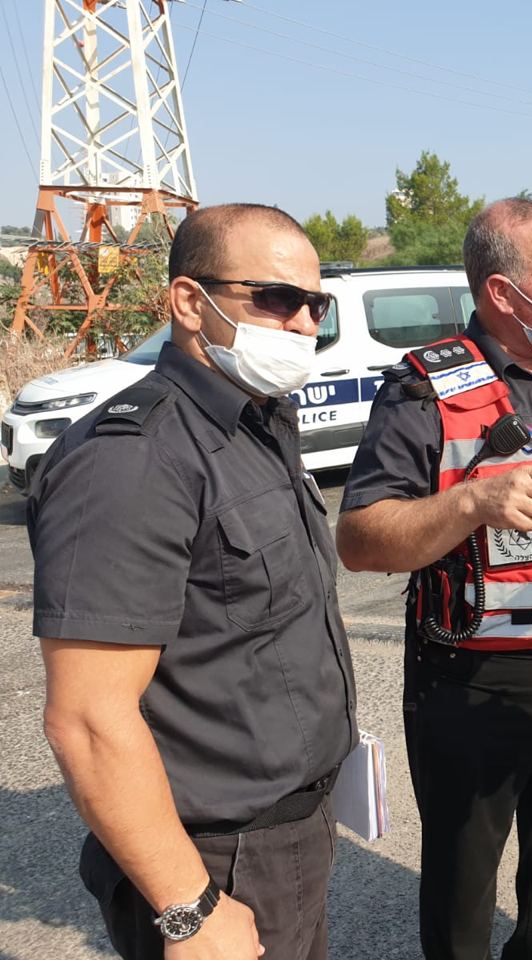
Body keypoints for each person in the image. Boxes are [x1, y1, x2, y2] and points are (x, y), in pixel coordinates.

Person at [30, 203, 357, 960]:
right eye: (275, 298)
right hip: (213, 855)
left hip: (288, 833)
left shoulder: (254, 422)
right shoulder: (133, 459)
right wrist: (190, 909)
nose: (303, 323)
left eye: (316, 304)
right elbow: (86, 719)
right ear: (187, 301)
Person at [336, 198, 532, 960]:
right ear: (503, 294)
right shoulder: (423, 392)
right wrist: (472, 501)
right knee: (462, 883)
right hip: (475, 680)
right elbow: (360, 539)